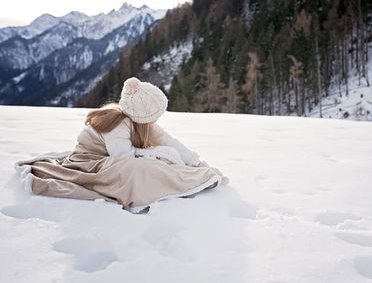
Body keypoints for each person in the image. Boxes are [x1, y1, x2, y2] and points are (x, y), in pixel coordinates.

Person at [16, 77, 229, 211]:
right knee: (142, 168)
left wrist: (197, 163)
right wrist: (153, 156)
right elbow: (124, 160)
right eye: (154, 115)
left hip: (110, 160)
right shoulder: (118, 124)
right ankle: (177, 182)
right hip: (90, 162)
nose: (157, 120)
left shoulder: (144, 123)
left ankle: (198, 177)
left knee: (164, 157)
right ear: (142, 114)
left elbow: (170, 141)